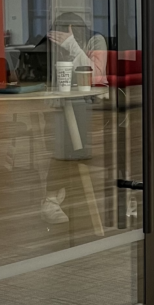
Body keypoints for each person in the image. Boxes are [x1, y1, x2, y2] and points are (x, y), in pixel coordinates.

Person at [41, 12, 107, 225]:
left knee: (74, 150)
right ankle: (57, 196)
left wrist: (72, 46)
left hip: (86, 104)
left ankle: (55, 197)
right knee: (61, 149)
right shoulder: (51, 45)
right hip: (58, 104)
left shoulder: (95, 40)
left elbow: (95, 75)